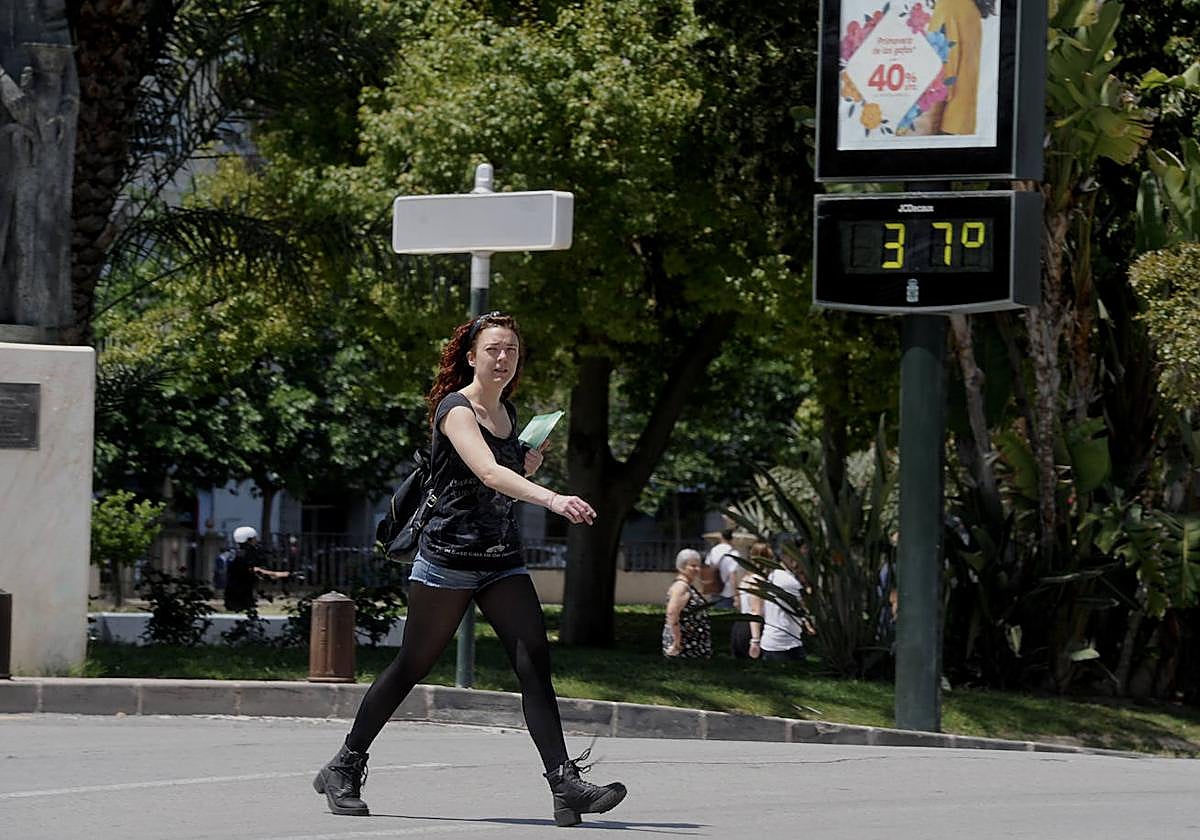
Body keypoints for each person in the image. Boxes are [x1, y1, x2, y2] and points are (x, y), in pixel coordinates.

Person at [313, 311, 626, 826]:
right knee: (411, 666)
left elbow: (497, 474)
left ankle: (565, 785)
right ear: (471, 355)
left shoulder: (507, 413)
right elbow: (484, 471)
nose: (504, 358)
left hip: (501, 560)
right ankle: (344, 766)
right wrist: (551, 497)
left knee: (534, 666)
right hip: (447, 561)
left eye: (512, 350)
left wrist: (526, 464)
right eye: (494, 349)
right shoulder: (455, 409)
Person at [759, 548, 815, 663]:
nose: (800, 560)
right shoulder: (789, 581)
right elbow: (807, 605)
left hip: (778, 641)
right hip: (784, 643)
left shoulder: (775, 575)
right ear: (783, 556)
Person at [220, 526, 289, 612]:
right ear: (248, 540)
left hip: (240, 595)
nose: (256, 541)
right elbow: (254, 570)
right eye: (254, 538)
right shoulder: (243, 555)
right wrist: (280, 574)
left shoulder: (236, 553)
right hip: (239, 598)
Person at [662, 549, 712, 659]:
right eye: (693, 566)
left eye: (698, 566)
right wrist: (677, 640)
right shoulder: (681, 587)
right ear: (681, 567)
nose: (697, 569)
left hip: (694, 642)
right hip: (685, 644)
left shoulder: (689, 586)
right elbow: (672, 614)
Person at [730, 542, 773, 660]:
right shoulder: (757, 581)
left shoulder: (745, 578)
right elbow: (755, 610)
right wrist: (755, 640)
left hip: (740, 624)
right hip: (751, 627)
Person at [703, 528, 741, 609]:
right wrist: (736, 595)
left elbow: (708, 567)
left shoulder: (713, 550)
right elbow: (732, 576)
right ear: (732, 539)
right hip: (728, 592)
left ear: (721, 537)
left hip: (714, 589)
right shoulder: (734, 553)